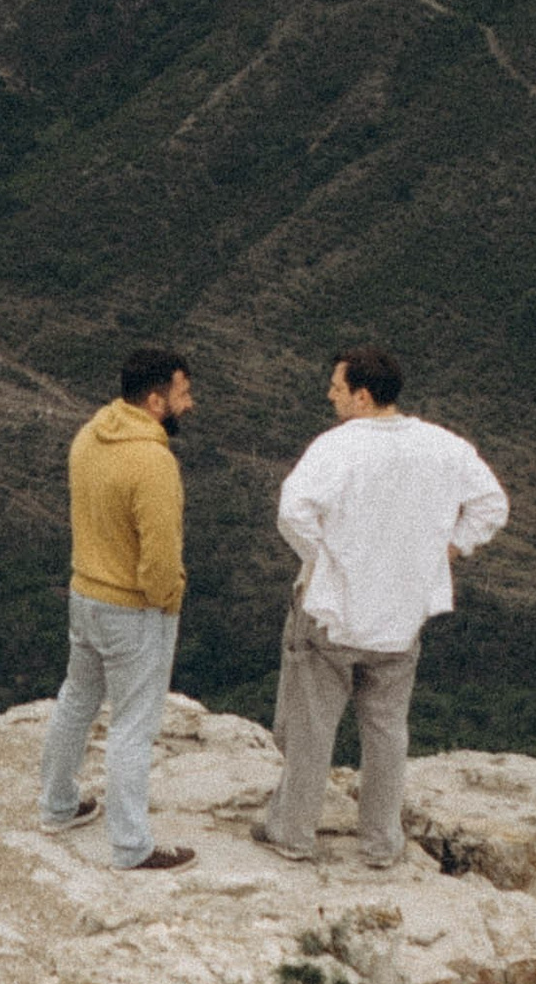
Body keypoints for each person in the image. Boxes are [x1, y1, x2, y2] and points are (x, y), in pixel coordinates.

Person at [252, 342, 507, 872]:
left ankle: (293, 831)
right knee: (388, 729)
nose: (330, 395)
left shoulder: (337, 447)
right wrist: (447, 550)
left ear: (362, 396)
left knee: (309, 726)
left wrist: (328, 561)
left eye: (337, 387)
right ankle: (381, 843)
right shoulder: (445, 447)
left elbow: (292, 511)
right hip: (402, 614)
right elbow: (491, 506)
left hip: (332, 611)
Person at [39, 343, 200, 875]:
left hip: (85, 594)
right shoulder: (153, 461)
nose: (189, 404)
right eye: (183, 393)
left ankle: (58, 806)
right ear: (156, 400)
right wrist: (168, 599)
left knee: (77, 699)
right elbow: (159, 555)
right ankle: (132, 847)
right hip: (132, 610)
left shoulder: (90, 433)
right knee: (133, 726)